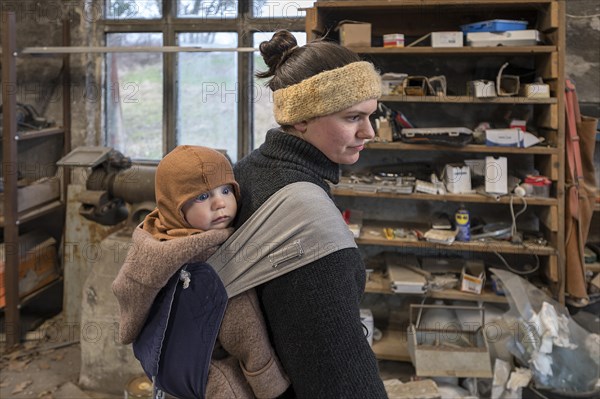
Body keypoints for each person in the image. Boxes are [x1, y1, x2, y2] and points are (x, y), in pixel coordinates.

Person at [234, 30, 387, 398]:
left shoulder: (247, 171)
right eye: (353, 117)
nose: (369, 131)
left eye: (371, 115)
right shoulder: (306, 219)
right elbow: (338, 378)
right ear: (301, 118)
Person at [112, 145, 289, 398]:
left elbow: (128, 307)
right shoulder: (214, 260)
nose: (220, 203)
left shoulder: (151, 238)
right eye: (202, 196)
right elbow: (246, 337)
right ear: (175, 206)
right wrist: (272, 387)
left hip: (162, 369)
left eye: (226, 190)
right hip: (212, 380)